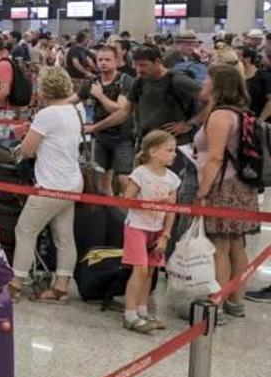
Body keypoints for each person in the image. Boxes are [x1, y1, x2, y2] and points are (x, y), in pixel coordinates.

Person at [8, 67, 83, 303]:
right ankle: (61, 287)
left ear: (43, 89)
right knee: (64, 236)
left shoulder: (47, 114)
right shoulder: (74, 110)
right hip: (73, 181)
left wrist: (23, 141)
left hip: (51, 184)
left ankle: (15, 283)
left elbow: (28, 150)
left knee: (25, 230)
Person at [194, 63, 260, 321]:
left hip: (222, 185)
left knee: (219, 246)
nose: (203, 84)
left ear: (217, 85)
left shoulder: (220, 116)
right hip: (242, 186)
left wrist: (203, 191)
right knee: (236, 245)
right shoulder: (242, 113)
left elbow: (215, 157)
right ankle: (236, 301)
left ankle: (217, 304)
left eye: (207, 80)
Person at [119, 129, 178, 333]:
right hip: (137, 227)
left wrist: (165, 235)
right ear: (153, 151)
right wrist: (154, 202)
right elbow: (128, 200)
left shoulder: (172, 179)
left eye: (174, 150)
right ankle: (130, 313)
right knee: (140, 269)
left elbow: (172, 211)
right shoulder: (140, 174)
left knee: (150, 271)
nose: (174, 154)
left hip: (156, 229)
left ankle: (142, 310)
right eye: (169, 150)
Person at [128, 46, 202, 207]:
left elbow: (211, 98)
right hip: (146, 145)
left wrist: (190, 124)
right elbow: (127, 110)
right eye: (136, 65)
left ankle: (170, 230)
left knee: (170, 193)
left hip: (174, 147)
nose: (138, 69)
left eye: (143, 65)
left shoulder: (177, 80)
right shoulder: (139, 82)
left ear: (157, 62)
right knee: (146, 191)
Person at [80, 47, 135, 196]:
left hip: (123, 137)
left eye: (107, 59)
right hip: (101, 137)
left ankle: (128, 215)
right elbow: (72, 99)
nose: (103, 63)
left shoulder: (125, 81)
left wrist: (99, 95)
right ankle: (110, 214)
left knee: (124, 179)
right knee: (102, 180)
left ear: (117, 61)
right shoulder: (93, 81)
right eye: (100, 60)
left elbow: (119, 110)